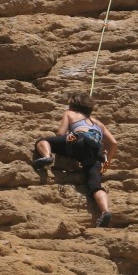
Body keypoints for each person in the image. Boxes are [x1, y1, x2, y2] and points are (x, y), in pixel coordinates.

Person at [33, 93, 118, 227]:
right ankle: (105, 211)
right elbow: (113, 142)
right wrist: (107, 161)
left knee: (43, 141)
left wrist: (63, 140)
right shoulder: (99, 124)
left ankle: (47, 156)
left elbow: (61, 133)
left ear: (73, 105)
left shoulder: (70, 114)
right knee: (95, 186)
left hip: (77, 142)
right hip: (95, 153)